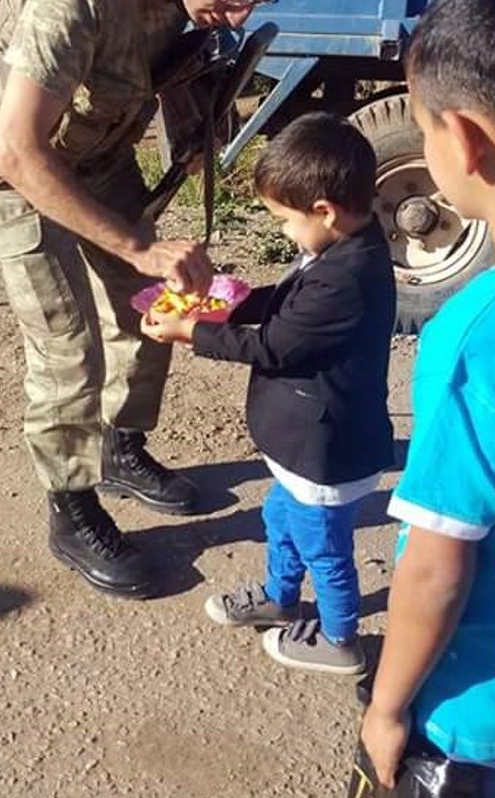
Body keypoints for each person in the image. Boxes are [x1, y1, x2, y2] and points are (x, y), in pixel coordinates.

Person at [0, 0, 326, 600]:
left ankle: (121, 448)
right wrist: (137, 243)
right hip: (20, 167)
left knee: (156, 305)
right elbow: (18, 150)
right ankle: (71, 505)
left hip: (100, 156)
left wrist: (192, 136)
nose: (238, 11)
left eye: (256, 1)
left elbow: (161, 72)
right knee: (68, 346)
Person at [361, 0, 495, 796]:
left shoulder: (479, 336)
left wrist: (387, 708)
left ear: (463, 141)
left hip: (472, 710)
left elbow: (435, 567)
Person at [142, 112, 396, 671]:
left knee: (325, 550)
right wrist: (229, 304)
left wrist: (193, 332)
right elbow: (289, 309)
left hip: (325, 453)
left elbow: (273, 346)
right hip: (301, 451)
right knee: (280, 521)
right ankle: (280, 598)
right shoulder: (341, 247)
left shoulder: (346, 278)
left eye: (283, 221)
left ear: (324, 211)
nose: (282, 231)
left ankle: (340, 638)